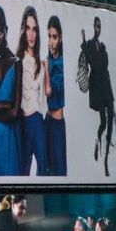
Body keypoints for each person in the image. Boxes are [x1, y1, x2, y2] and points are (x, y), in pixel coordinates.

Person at [81, 17, 116, 177]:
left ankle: (106, 160)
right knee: (103, 121)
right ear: (93, 27)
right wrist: (83, 42)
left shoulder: (102, 47)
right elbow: (93, 63)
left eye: (100, 27)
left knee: (110, 121)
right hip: (98, 88)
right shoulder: (89, 45)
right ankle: (98, 140)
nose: (98, 29)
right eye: (96, 26)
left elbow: (103, 65)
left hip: (106, 86)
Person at [16, 7, 50, 176]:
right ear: (24, 30)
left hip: (38, 120)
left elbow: (45, 95)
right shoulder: (18, 61)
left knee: (43, 168)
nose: (31, 34)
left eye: (35, 29)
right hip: (24, 122)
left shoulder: (41, 63)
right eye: (28, 28)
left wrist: (46, 70)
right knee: (23, 170)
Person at [0, 5, 21, 176]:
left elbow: (14, 112)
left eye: (0, 31)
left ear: (6, 30)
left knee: (15, 196)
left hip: (10, 138)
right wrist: (3, 106)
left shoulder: (16, 62)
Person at [45, 15, 66, 176]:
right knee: (48, 169)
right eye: (49, 36)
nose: (51, 41)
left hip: (58, 124)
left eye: (54, 37)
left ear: (60, 38)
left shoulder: (61, 63)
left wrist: (45, 67)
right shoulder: (50, 59)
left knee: (58, 170)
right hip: (48, 120)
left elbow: (49, 91)